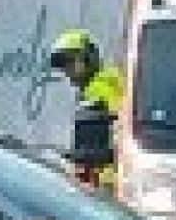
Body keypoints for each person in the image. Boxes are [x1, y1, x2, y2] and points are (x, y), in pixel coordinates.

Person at [48, 29, 125, 183]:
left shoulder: (98, 89)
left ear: (89, 59)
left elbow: (92, 145)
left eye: (70, 61)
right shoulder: (111, 78)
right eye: (62, 65)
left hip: (105, 180)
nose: (66, 70)